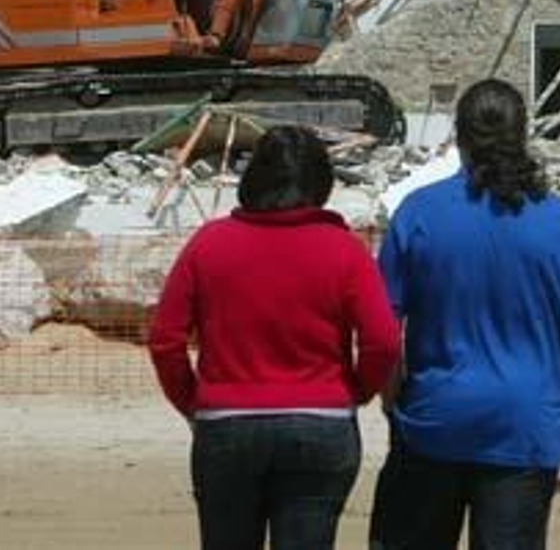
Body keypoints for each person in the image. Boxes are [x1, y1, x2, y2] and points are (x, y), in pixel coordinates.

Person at [370, 78, 560, 550]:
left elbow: (382, 329)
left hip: (432, 421)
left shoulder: (417, 213)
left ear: (458, 136)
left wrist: (392, 398)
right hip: (523, 429)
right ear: (522, 137)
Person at [148, 124, 399, 550]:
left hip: (227, 423)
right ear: (321, 183)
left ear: (254, 179)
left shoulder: (209, 243)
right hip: (321, 422)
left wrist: (192, 402)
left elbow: (165, 339)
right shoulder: (345, 249)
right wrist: (354, 391)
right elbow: (383, 341)